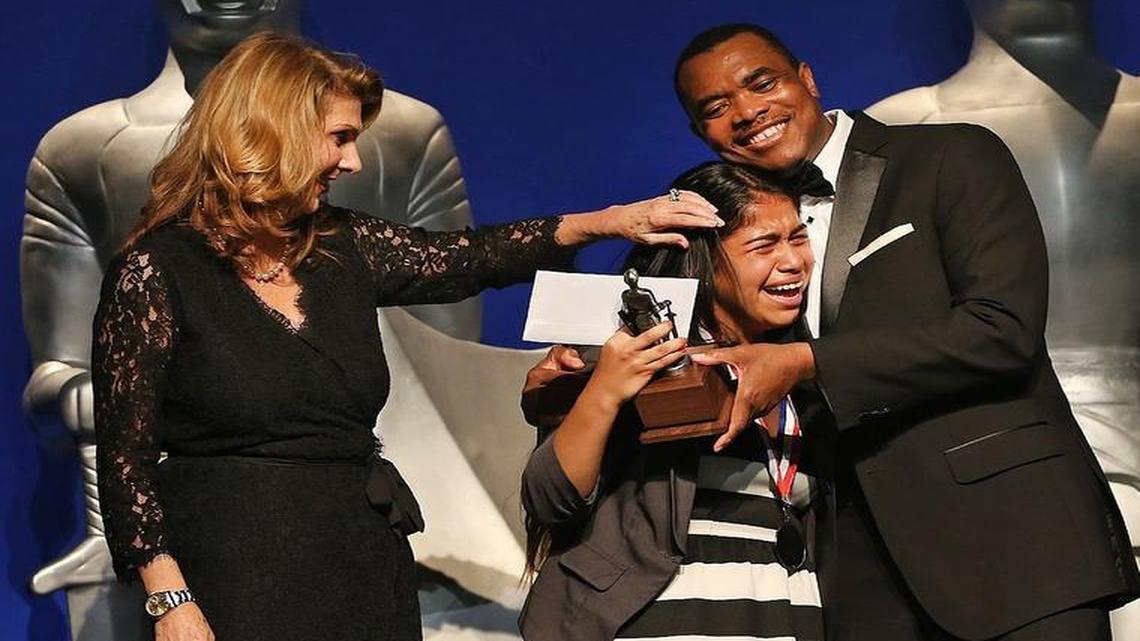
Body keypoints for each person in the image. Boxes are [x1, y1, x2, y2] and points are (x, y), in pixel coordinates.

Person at [92, 32, 720, 641]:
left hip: (362, 559)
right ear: (270, 131)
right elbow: (125, 460)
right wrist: (169, 599)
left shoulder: (341, 245)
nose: (353, 162)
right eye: (339, 138)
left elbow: (472, 257)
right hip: (228, 569)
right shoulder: (158, 272)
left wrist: (610, 221)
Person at [670, 23, 1140, 641]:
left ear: (807, 80)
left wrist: (808, 362)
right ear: (700, 133)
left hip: (1012, 541)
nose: (746, 112)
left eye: (762, 83)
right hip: (855, 570)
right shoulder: (720, 228)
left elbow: (1001, 330)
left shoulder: (951, 155)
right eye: (715, 108)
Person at [519, 162, 825, 641]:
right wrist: (605, 389)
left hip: (779, 613)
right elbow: (548, 499)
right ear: (705, 259)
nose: (792, 262)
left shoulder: (807, 368)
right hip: (660, 620)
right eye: (764, 245)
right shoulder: (632, 354)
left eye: (798, 238)